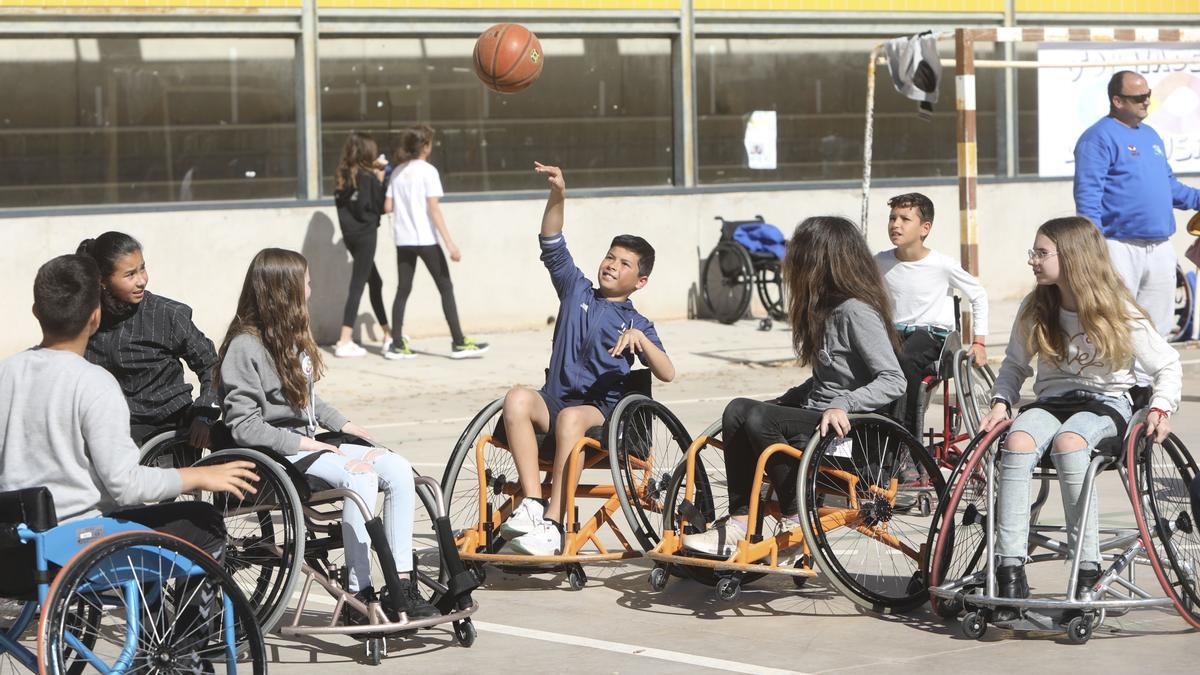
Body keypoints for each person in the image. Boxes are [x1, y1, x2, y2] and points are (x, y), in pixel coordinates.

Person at [0, 254, 257, 595]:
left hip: (14, 550)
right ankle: (191, 643)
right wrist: (199, 475)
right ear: (96, 316)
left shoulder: (6, 373)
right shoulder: (94, 383)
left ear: (36, 312)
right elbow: (126, 485)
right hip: (75, 549)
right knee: (203, 520)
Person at [215, 247, 438, 620]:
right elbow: (244, 425)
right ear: (283, 290)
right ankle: (358, 590)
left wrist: (342, 423)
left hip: (308, 446)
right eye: (307, 283)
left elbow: (308, 401)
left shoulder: (289, 337)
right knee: (360, 476)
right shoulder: (245, 346)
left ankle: (403, 584)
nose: (311, 290)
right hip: (278, 455)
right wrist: (307, 441)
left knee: (398, 469)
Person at [978, 216, 1181, 610]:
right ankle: (1009, 571)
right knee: (1017, 441)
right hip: (1052, 402)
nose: (1032, 261)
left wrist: (1160, 407)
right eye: (1032, 253)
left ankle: (1088, 568)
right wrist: (1001, 401)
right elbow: (1014, 366)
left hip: (1107, 403)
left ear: (1071, 257)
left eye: (1041, 253)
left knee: (1070, 443)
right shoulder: (1036, 304)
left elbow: (1167, 365)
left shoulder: (1114, 306)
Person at [685, 216, 906, 556]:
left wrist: (843, 404)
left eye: (799, 254)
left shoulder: (856, 312)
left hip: (850, 436)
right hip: (815, 420)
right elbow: (825, 379)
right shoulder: (824, 310)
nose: (790, 262)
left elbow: (894, 380)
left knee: (761, 419)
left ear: (823, 262)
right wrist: (784, 399)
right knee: (738, 410)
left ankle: (795, 515)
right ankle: (741, 521)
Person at [499, 163, 676, 556]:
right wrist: (559, 193)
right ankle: (531, 504)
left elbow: (667, 373)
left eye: (624, 263)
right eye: (611, 257)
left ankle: (554, 521)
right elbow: (551, 239)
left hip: (600, 412)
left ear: (640, 281)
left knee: (571, 418)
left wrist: (642, 344)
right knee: (516, 397)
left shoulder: (637, 322)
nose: (612, 265)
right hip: (555, 397)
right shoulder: (575, 288)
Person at [1073, 70, 1200, 402]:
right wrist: (1093, 246)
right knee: (1116, 320)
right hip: (1117, 245)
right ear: (1117, 101)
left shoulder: (1151, 136)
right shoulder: (1098, 137)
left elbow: (1169, 185)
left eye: (1148, 95)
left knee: (1154, 325)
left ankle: (1144, 389)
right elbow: (1088, 195)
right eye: (1139, 97)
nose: (1147, 101)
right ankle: (1113, 389)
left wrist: (1198, 199)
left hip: (1158, 246)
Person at [78, 231, 220, 449]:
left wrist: (204, 415)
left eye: (142, 268)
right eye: (130, 275)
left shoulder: (167, 315)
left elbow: (213, 367)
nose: (141, 280)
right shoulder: (86, 319)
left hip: (169, 436)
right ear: (103, 281)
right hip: (110, 436)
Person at [875, 192, 989, 436]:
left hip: (933, 337)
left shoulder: (941, 264)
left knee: (903, 360)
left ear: (925, 228)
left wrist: (979, 342)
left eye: (905, 219)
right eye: (892, 218)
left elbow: (978, 295)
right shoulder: (880, 262)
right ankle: (870, 435)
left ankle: (905, 440)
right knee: (868, 359)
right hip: (895, 334)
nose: (895, 224)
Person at [383, 125, 487, 360]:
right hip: (425, 239)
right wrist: (450, 244)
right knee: (445, 288)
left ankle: (397, 342)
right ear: (425, 146)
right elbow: (433, 209)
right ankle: (459, 342)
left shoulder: (398, 172)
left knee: (403, 289)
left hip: (404, 239)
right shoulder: (428, 172)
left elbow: (388, 207)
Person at [332, 131, 392, 358]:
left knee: (375, 282)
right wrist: (380, 180)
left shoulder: (343, 175)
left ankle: (388, 334)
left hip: (351, 236)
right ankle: (344, 339)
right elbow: (378, 208)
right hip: (366, 235)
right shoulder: (367, 178)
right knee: (358, 285)